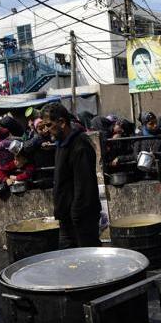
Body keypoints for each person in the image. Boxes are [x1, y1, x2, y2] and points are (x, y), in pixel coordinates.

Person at [43, 102, 101, 248]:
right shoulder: (62, 144)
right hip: (67, 219)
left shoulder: (80, 146)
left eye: (49, 125)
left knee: (88, 260)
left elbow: (84, 187)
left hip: (81, 220)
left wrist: (77, 218)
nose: (46, 130)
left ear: (62, 122)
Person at [133, 112, 161, 177]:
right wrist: (139, 157)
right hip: (144, 173)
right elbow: (135, 153)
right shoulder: (140, 136)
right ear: (145, 125)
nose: (155, 125)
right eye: (151, 124)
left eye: (156, 122)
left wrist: (155, 154)